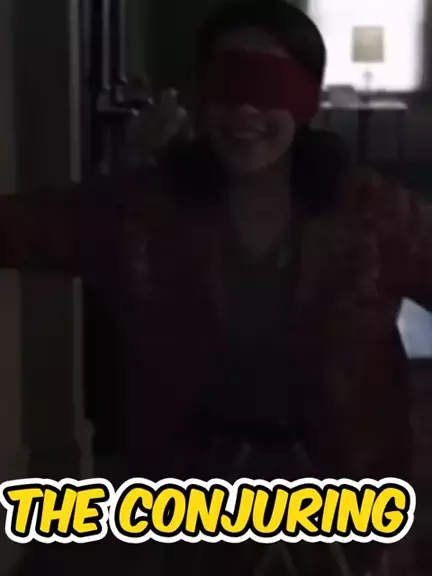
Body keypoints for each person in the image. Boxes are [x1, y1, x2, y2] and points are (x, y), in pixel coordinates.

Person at [0, 0, 428, 574]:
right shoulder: (144, 211)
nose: (245, 109)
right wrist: (128, 161)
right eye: (228, 84)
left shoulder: (374, 213)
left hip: (346, 482)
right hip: (194, 488)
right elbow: (25, 227)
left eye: (270, 87)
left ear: (305, 100)